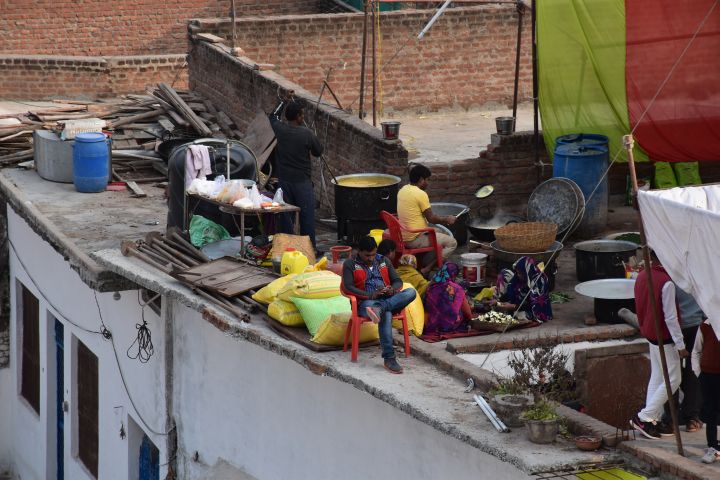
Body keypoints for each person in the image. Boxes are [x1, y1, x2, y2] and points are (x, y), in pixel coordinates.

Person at [629, 252, 687, 440]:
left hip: (650, 334)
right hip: (664, 337)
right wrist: (680, 344)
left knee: (657, 375)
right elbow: (671, 317)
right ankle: (645, 416)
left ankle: (651, 419)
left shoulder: (643, 275)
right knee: (674, 379)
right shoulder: (666, 282)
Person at [341, 236, 416, 374]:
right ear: (359, 252)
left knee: (411, 292)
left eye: (373, 254)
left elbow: (397, 281)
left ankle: (381, 308)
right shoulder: (350, 264)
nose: (371, 258)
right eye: (367, 255)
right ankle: (389, 358)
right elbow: (347, 287)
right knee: (386, 314)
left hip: (386, 299)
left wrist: (393, 289)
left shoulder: (383, 260)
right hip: (366, 303)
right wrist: (371, 295)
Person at [270, 91, 324, 249]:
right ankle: (309, 249)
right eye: (302, 115)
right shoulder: (306, 134)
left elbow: (272, 116)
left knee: (286, 216)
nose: (303, 118)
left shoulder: (280, 129)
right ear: (299, 117)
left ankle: (288, 248)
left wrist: (284, 101)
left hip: (284, 181)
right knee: (306, 216)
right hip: (302, 183)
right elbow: (318, 151)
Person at [396, 164, 457, 275]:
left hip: (403, 234)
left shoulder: (403, 190)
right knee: (452, 243)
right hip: (414, 238)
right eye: (427, 180)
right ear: (420, 179)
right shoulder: (420, 194)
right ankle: (428, 268)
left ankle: (422, 262)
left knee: (439, 232)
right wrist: (447, 219)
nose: (428, 183)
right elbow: (431, 218)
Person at [691, 318, 720, 464]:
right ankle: (712, 446)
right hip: (708, 375)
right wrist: (699, 373)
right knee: (711, 411)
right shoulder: (706, 326)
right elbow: (696, 351)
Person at [494, 256, 552, 322]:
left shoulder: (538, 283)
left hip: (534, 309)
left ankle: (511, 311)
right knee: (504, 273)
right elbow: (510, 292)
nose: (518, 275)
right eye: (517, 273)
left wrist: (514, 306)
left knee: (518, 315)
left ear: (526, 272)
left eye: (520, 273)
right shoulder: (519, 279)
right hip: (518, 304)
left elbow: (533, 305)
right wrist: (499, 300)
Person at [424, 262, 473, 334]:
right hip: (450, 326)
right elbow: (468, 313)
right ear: (454, 275)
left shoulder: (430, 287)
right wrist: (471, 320)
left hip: (432, 325)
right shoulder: (457, 289)